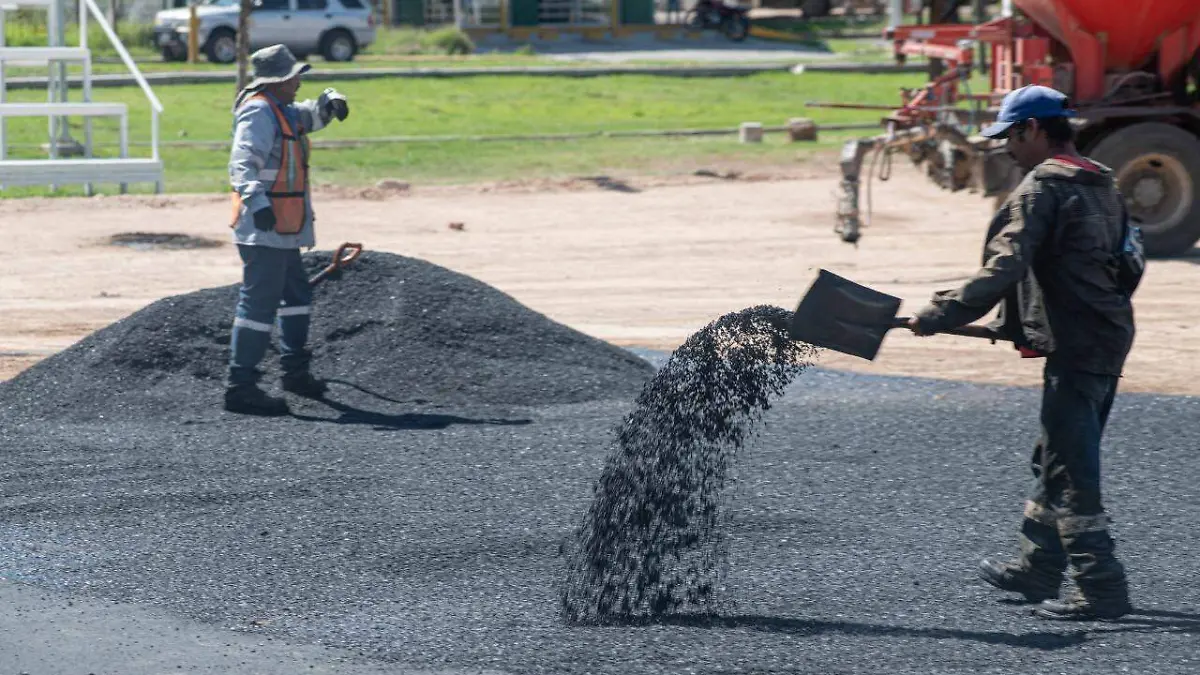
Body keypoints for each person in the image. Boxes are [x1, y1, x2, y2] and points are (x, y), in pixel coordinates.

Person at [906, 85, 1144, 621]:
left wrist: (941, 312)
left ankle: (1101, 588)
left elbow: (1004, 268)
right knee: (1056, 454)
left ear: (1033, 129)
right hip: (1106, 334)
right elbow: (1129, 264)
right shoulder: (1102, 181)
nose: (1006, 148)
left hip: (1080, 342)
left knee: (1072, 464)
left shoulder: (1043, 187)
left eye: (1010, 136)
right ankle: (1038, 567)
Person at [225, 44, 350, 416]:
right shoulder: (259, 112)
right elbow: (242, 164)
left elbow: (307, 116)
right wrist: (258, 204)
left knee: (296, 295)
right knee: (258, 304)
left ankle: (294, 372)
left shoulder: (283, 109)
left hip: (286, 224)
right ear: (277, 80)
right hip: (263, 225)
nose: (299, 81)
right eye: (294, 75)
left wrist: (330, 104)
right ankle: (240, 387)